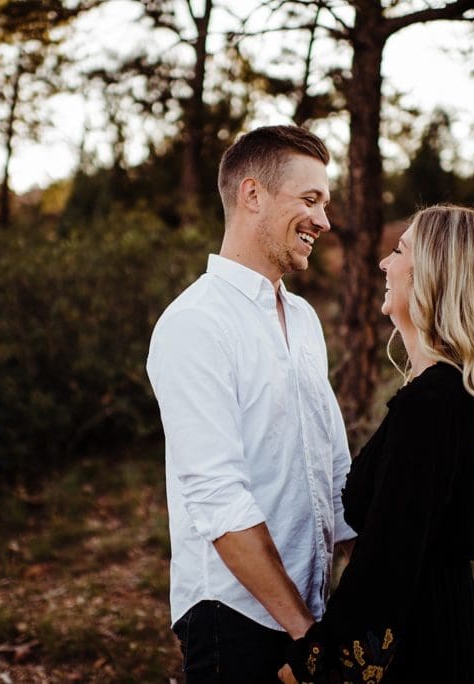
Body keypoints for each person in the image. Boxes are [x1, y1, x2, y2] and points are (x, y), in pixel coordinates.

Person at [278, 204, 474, 684]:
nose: (383, 264)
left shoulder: (434, 403)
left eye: (399, 250)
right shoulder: (453, 394)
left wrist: (309, 666)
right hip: (438, 631)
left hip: (418, 652)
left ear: (434, 278)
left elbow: (386, 566)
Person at [146, 125, 357, 682]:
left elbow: (336, 470)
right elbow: (218, 498)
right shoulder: (195, 323)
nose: (324, 220)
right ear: (252, 194)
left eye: (326, 204)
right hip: (233, 623)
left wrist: (351, 611)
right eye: (309, 200)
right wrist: (304, 633)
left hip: (312, 617)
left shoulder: (306, 319)